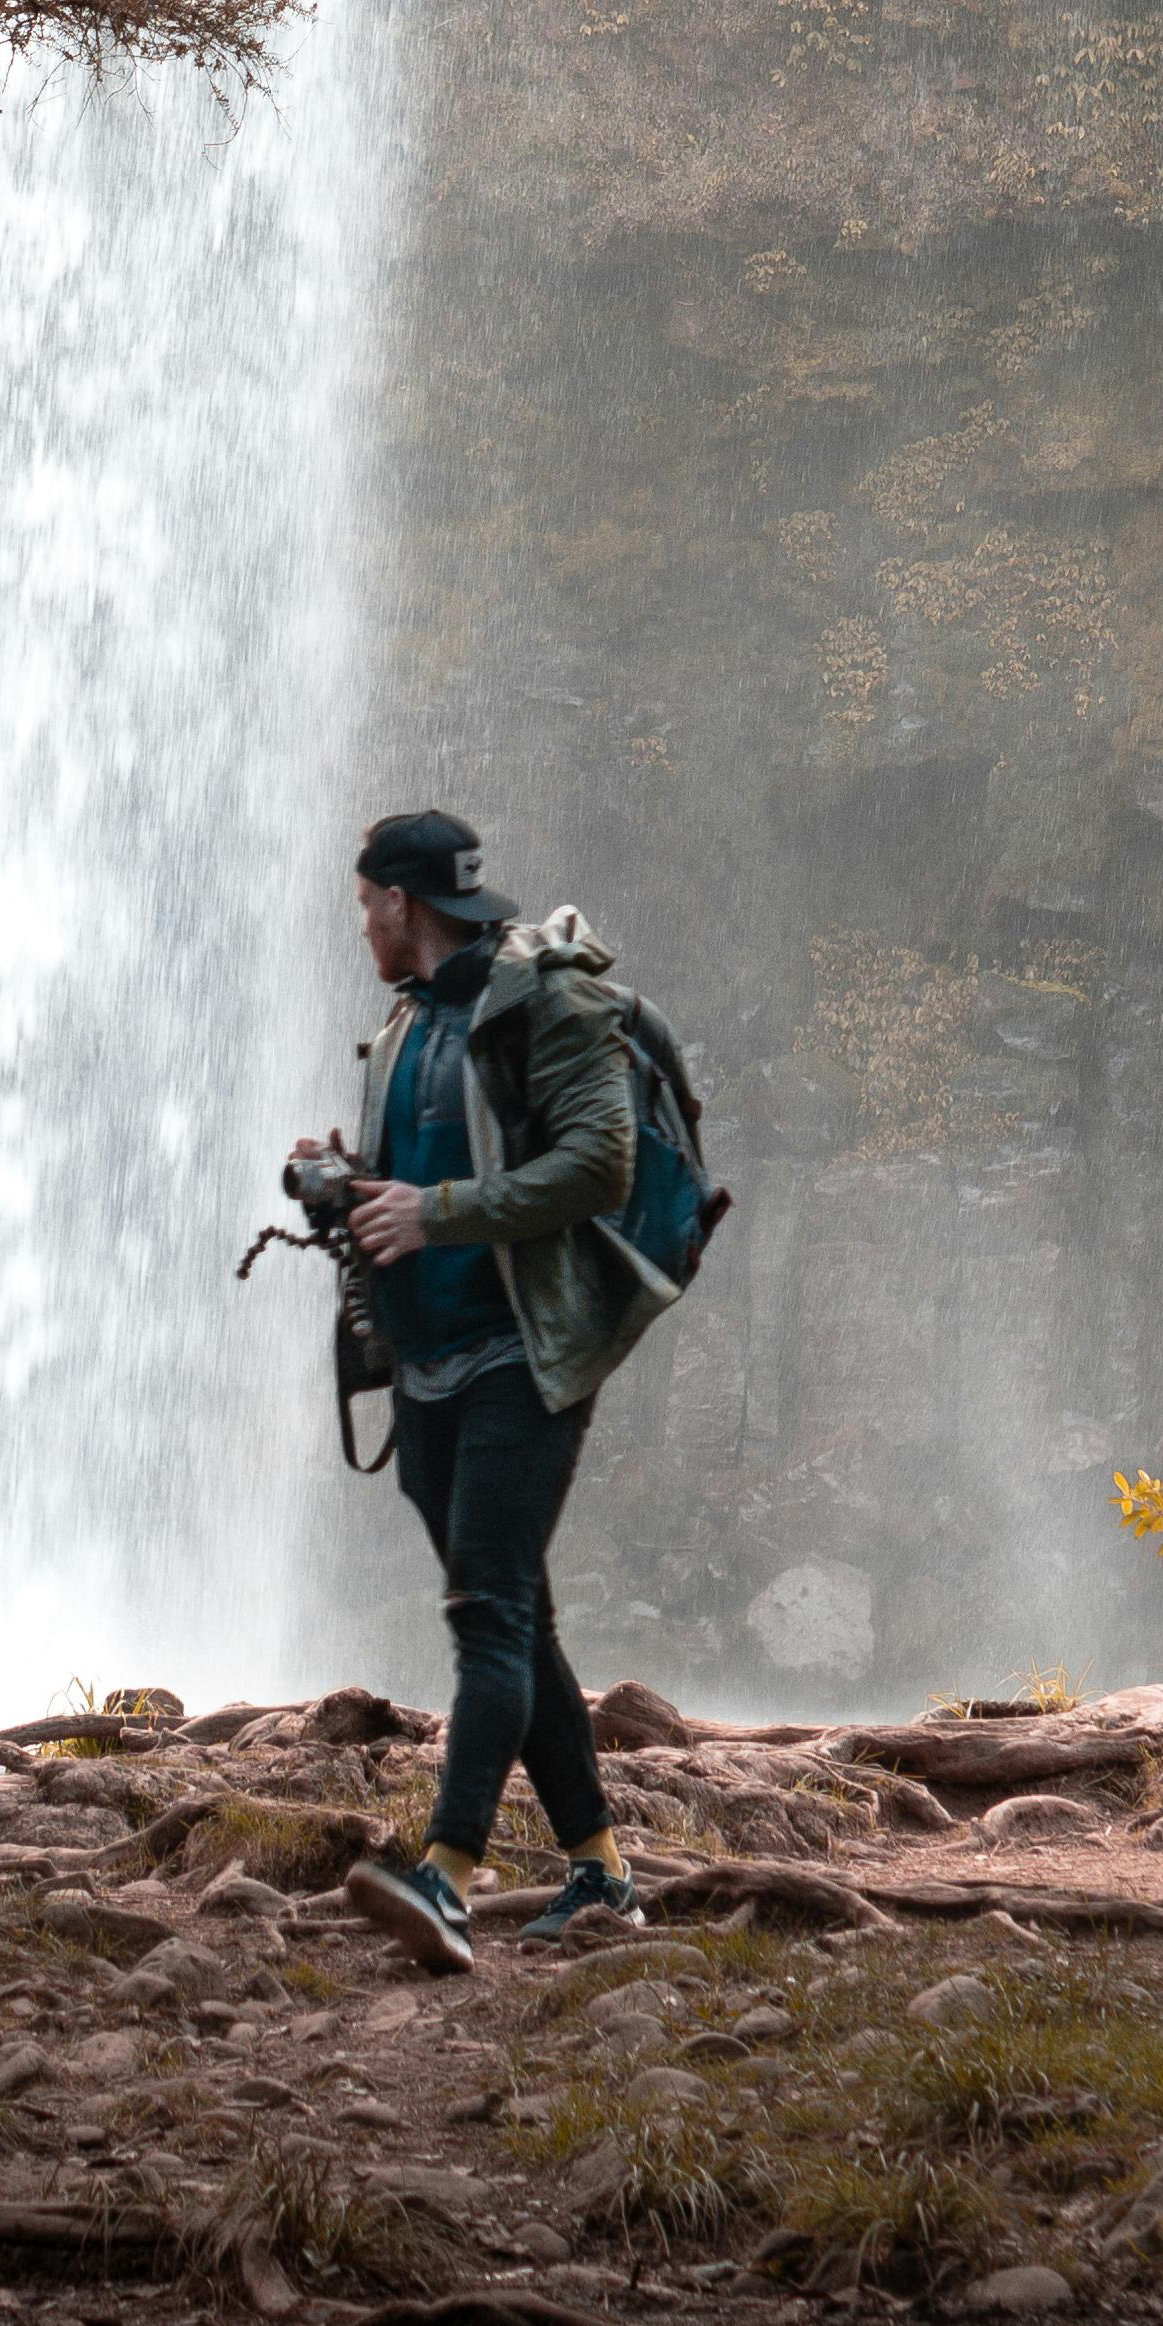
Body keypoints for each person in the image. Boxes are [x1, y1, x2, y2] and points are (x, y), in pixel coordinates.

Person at [302, 805, 677, 1974]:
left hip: (524, 1355)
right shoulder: (408, 1021)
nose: (359, 924)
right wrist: (349, 1184)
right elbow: (422, 1173)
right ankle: (602, 1870)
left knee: (488, 1617)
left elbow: (598, 1161)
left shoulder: (545, 999)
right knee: (520, 1614)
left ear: (402, 903)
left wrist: (436, 1210)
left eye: (366, 904)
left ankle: (448, 1876)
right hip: (426, 1368)